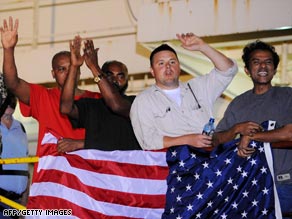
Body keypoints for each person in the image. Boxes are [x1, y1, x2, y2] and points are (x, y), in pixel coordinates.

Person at [0, 17, 101, 160]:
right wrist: (8, 49)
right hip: (52, 179)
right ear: (53, 74)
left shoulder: (96, 99)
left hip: (87, 177)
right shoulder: (43, 96)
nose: (67, 73)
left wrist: (81, 143)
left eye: (71, 67)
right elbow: (13, 84)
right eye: (61, 69)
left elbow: (113, 137)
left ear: (79, 71)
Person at [213, 40, 292, 217]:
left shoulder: (287, 96)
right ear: (248, 70)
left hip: (284, 186)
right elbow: (215, 140)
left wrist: (252, 136)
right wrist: (236, 129)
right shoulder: (238, 103)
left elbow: (289, 132)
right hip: (248, 186)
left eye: (268, 62)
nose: (263, 66)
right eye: (256, 62)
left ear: (275, 68)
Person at [130, 33, 238, 150]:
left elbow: (229, 70)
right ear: (152, 71)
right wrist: (187, 140)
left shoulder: (198, 88)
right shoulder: (143, 101)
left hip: (209, 161)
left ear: (179, 66)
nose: (168, 67)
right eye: (161, 63)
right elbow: (148, 142)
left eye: (172, 62)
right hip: (173, 165)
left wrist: (203, 47)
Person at [59, 37, 140, 151]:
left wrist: (93, 66)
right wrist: (74, 67)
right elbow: (65, 108)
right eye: (109, 75)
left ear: (126, 80)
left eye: (120, 76)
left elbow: (115, 106)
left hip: (128, 167)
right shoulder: (91, 106)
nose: (115, 79)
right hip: (98, 168)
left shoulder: (136, 103)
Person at [0, 92, 29, 218]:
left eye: (10, 115)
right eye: (5, 115)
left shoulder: (20, 128)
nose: (8, 119)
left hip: (18, 202)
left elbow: (25, 165)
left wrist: (25, 199)